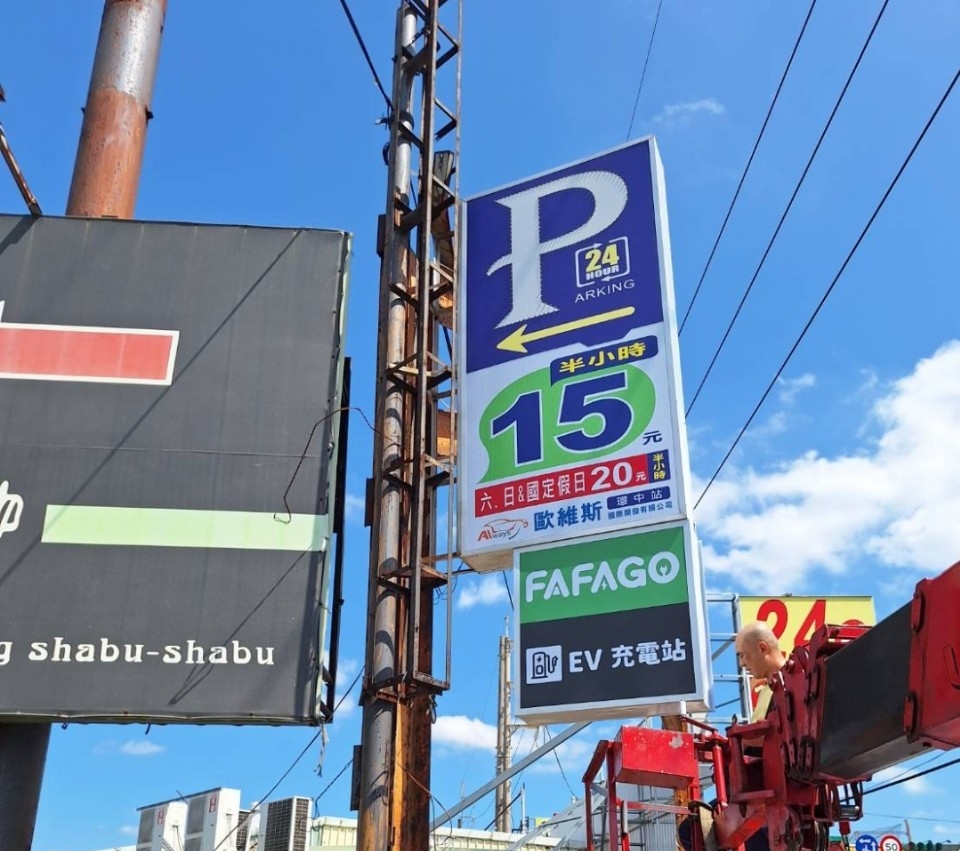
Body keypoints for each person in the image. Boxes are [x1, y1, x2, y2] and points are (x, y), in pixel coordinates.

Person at [677, 622, 788, 851]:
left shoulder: (787, 684)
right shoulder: (773, 686)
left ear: (762, 648)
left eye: (743, 656)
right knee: (690, 829)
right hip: (759, 791)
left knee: (691, 830)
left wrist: (737, 740)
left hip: (763, 792)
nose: (742, 664)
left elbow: (775, 734)